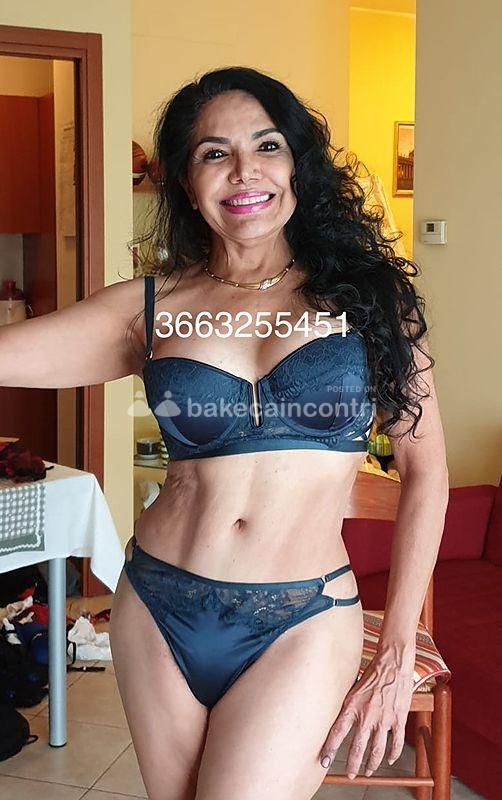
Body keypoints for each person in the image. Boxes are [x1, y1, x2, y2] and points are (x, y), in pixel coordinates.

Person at [0, 66, 449, 800]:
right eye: (215, 152)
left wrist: (397, 647)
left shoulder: (371, 299)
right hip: (159, 605)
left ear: (297, 164)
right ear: (186, 180)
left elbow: (425, 470)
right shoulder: (151, 307)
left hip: (303, 616)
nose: (245, 171)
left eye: (267, 146)